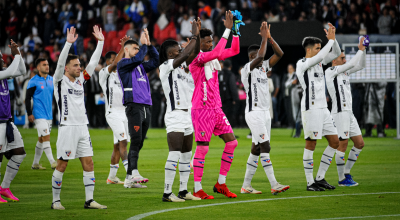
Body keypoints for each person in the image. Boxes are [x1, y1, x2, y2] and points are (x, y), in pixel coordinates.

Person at [51, 26, 106, 210]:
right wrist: (68, 43)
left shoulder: (81, 79)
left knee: (89, 163)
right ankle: (56, 201)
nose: (79, 68)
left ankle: (89, 200)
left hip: (83, 127)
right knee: (62, 164)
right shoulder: (59, 80)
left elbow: (92, 63)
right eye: (75, 65)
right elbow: (59, 64)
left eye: (79, 66)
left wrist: (101, 42)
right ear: (67, 68)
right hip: (67, 127)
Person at [189, 11, 240, 199]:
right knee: (202, 148)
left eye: (211, 41)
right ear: (199, 43)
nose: (211, 44)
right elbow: (218, 51)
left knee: (232, 142)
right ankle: (197, 187)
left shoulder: (212, 57)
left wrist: (235, 31)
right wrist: (226, 30)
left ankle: (221, 183)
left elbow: (234, 51)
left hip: (216, 108)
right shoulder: (196, 57)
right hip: (201, 109)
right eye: (207, 42)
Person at [240, 22, 288, 195]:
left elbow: (279, 54)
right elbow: (260, 57)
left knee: (256, 149)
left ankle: (246, 185)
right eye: (254, 56)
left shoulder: (263, 68)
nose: (258, 59)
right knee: (265, 147)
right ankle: (274, 184)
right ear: (250, 57)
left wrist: (269, 38)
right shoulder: (247, 69)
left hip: (265, 114)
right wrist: (262, 38)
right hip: (253, 114)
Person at [158, 18, 202, 202]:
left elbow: (195, 51)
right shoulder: (165, 67)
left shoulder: (183, 66)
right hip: (175, 114)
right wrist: (193, 35)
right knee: (174, 153)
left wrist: (197, 36)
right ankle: (167, 193)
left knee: (186, 154)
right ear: (170, 53)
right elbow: (185, 55)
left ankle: (183, 190)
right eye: (177, 48)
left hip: (187, 115)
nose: (181, 50)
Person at [296, 23, 341, 191]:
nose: (320, 50)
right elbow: (323, 54)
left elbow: (335, 53)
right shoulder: (301, 63)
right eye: (317, 48)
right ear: (309, 50)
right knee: (311, 144)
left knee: (335, 141)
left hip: (323, 109)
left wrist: (333, 39)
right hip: (311, 109)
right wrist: (329, 41)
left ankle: (320, 177)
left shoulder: (320, 63)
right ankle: (309, 183)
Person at [117, 29, 159, 188]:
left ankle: (129, 178)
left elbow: (156, 61)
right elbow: (140, 57)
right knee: (135, 139)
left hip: (146, 106)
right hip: (134, 105)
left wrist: (149, 44)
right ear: (126, 50)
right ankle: (134, 172)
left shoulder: (140, 66)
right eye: (135, 48)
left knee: (139, 141)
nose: (138, 51)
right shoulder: (123, 64)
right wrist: (143, 45)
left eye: (138, 48)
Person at [325, 36, 366, 187]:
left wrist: (364, 50)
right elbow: (353, 62)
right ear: (334, 60)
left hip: (349, 112)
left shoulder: (344, 73)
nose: (344, 60)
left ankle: (347, 172)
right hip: (340, 112)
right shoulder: (330, 72)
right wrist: (359, 50)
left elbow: (360, 65)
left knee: (359, 143)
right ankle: (342, 178)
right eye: (342, 58)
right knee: (343, 144)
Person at [99, 36, 131, 185]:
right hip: (112, 113)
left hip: (124, 113)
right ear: (107, 62)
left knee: (118, 146)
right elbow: (116, 62)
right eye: (113, 59)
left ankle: (112, 177)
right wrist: (123, 48)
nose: (117, 61)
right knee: (123, 141)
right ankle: (131, 176)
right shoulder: (104, 74)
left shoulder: (121, 75)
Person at [0, 40, 27, 203]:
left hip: (7, 122)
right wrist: (14, 55)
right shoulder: (3, 73)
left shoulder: (4, 73)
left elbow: (21, 70)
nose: (3, 60)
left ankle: (4, 187)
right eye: (1, 58)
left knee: (19, 153)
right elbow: (11, 70)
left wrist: (17, 53)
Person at [25, 58, 56, 170]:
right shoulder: (33, 81)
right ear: (38, 68)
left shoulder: (51, 80)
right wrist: (29, 113)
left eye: (47, 64)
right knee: (46, 137)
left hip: (49, 115)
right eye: (44, 65)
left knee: (41, 139)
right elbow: (27, 98)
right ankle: (53, 162)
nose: (47, 66)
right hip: (38, 115)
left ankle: (35, 163)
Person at [219, 60, 239, 128]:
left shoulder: (219, 74)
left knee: (222, 116)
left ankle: (222, 130)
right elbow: (232, 87)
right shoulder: (230, 74)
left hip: (220, 99)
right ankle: (229, 133)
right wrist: (235, 99)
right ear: (230, 66)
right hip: (229, 99)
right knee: (230, 116)